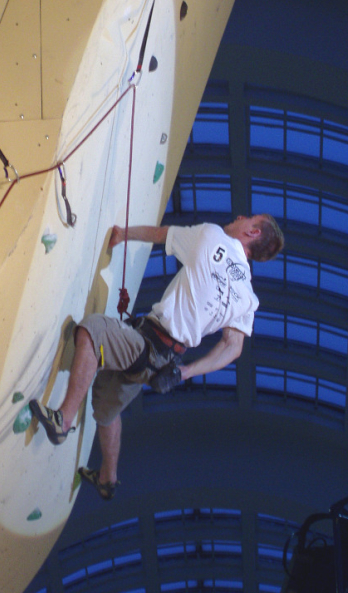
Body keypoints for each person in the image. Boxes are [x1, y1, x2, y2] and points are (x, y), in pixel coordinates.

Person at [29, 214, 284, 500]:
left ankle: (63, 421)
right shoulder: (248, 299)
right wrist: (184, 373)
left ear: (252, 231)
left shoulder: (213, 237)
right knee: (107, 411)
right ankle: (108, 479)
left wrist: (123, 234)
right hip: (163, 364)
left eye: (248, 218)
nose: (239, 216)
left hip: (146, 343)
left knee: (93, 330)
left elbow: (162, 234)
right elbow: (232, 347)